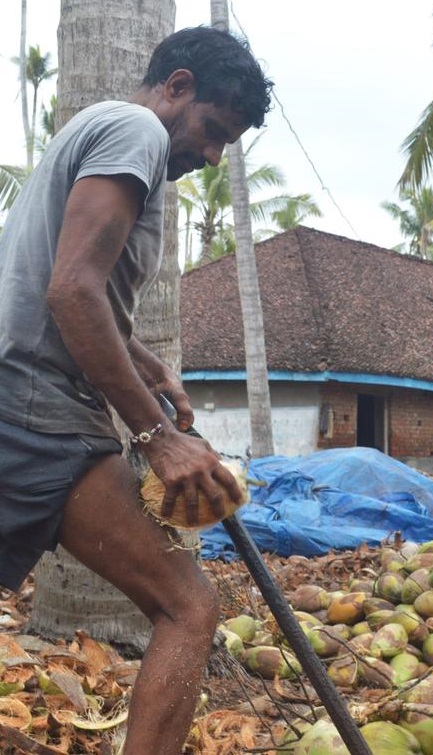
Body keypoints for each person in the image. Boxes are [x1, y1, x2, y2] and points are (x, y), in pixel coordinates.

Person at [0, 26, 273, 755]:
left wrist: (146, 361)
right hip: (38, 408)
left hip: (17, 391)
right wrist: (157, 435)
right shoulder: (134, 131)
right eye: (213, 130)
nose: (211, 156)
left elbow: (65, 284)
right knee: (188, 605)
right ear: (175, 86)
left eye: (226, 146)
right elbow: (72, 290)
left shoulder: (92, 130)